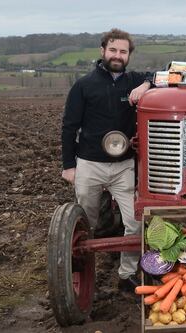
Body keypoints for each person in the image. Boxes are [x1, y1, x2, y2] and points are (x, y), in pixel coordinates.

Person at [61, 28, 151, 292]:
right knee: (85, 222)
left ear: (128, 55)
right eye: (113, 50)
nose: (117, 55)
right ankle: (82, 268)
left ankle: (126, 275)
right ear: (102, 51)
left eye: (123, 51)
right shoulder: (84, 85)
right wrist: (69, 166)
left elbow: (157, 76)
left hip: (124, 166)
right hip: (91, 163)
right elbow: (69, 127)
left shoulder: (134, 80)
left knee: (134, 222)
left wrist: (145, 85)